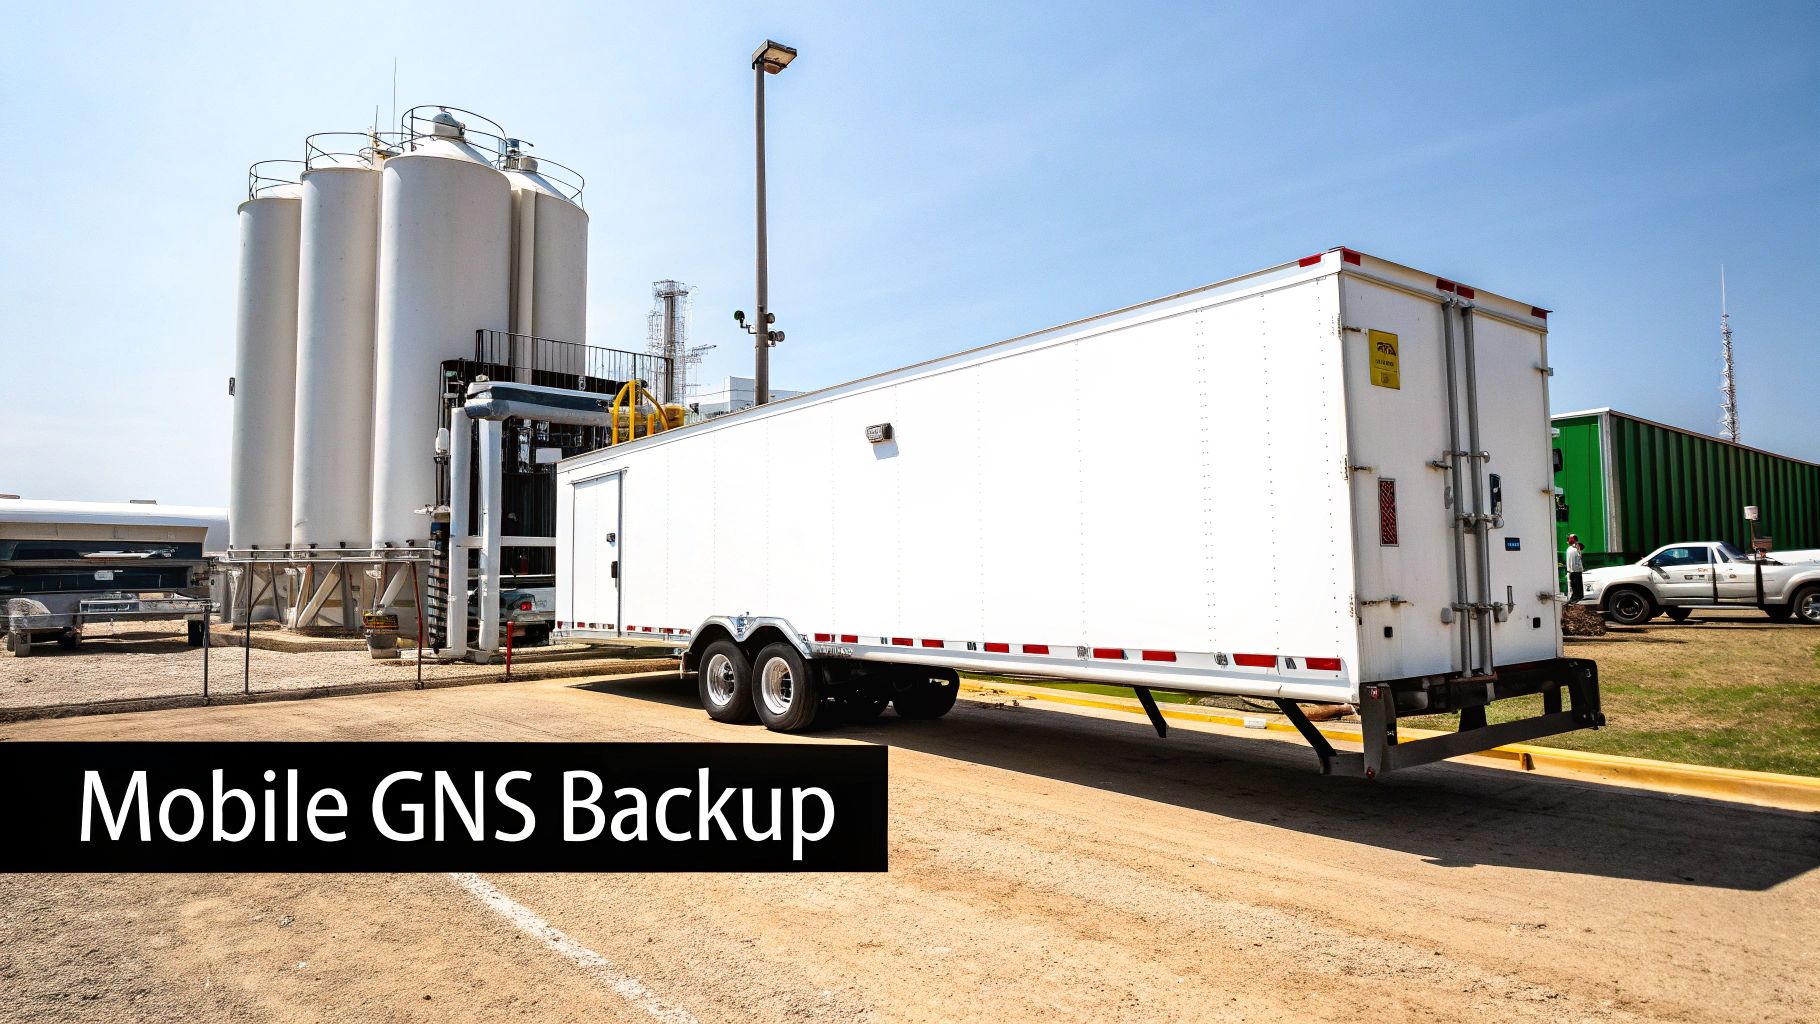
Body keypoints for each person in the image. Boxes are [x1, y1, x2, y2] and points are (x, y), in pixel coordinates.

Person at [1564, 535, 1585, 603]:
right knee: (1574, 585)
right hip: (1573, 570)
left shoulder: (1574, 548)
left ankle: (1576, 597)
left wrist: (1577, 546)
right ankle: (1575, 597)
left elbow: (1579, 554)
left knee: (1575, 585)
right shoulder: (1572, 548)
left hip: (1575, 570)